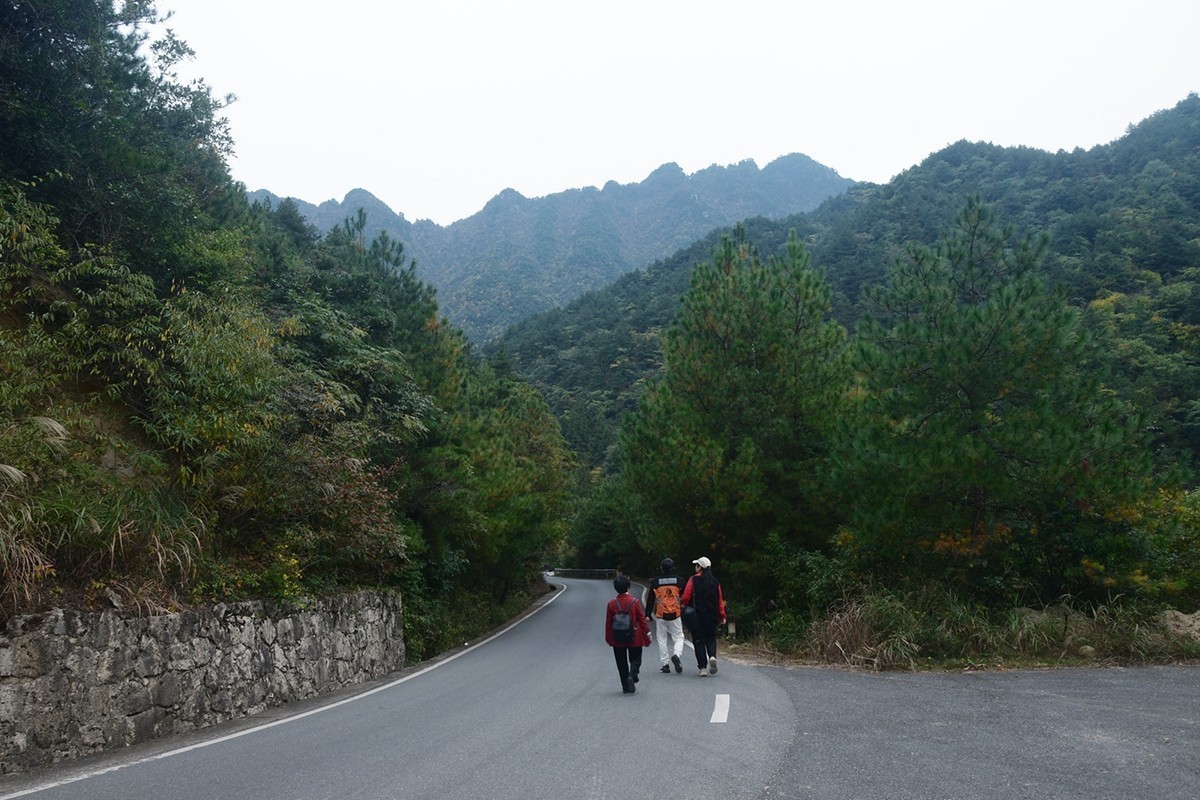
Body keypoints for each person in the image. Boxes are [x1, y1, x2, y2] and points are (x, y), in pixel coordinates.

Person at [605, 573, 652, 693]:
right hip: (634, 636)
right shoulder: (634, 602)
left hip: (617, 637)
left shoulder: (611, 603)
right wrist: (647, 634)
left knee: (621, 663)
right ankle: (633, 674)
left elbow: (609, 623)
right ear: (628, 586)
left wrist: (609, 638)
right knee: (636, 658)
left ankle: (625, 686)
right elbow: (642, 620)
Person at [680, 556, 726, 676]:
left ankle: (702, 668)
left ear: (700, 567)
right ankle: (712, 656)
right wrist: (722, 616)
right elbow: (719, 601)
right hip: (712, 616)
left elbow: (686, 597)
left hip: (697, 615)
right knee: (711, 638)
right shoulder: (715, 582)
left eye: (697, 565)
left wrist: (683, 606)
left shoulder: (693, 579)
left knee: (698, 640)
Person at [645, 557, 686, 674]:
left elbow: (650, 600)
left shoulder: (656, 582)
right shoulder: (679, 581)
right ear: (673, 568)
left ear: (661, 568)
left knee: (662, 639)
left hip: (661, 614)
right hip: (675, 614)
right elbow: (685, 597)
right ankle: (676, 654)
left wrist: (648, 614)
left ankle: (665, 665)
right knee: (679, 637)